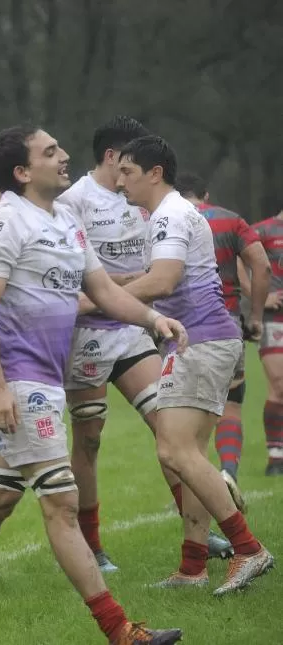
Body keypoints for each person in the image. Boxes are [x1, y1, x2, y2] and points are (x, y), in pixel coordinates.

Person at [0, 126, 185, 645]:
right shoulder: (4, 220)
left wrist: (151, 319)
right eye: (50, 152)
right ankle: (120, 631)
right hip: (21, 386)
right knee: (62, 506)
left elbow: (105, 289)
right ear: (22, 172)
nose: (64, 156)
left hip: (45, 380)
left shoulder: (65, 218)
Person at [57, 116, 233, 568]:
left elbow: (160, 270)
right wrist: (109, 293)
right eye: (128, 164)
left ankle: (200, 529)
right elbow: (69, 270)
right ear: (114, 158)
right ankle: (94, 546)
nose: (128, 176)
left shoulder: (150, 198)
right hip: (87, 333)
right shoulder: (73, 200)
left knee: (169, 428)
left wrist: (131, 291)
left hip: (137, 323)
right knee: (90, 438)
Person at [114, 135, 274, 593]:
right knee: (188, 456)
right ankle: (192, 568)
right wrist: (100, 286)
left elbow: (162, 282)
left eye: (128, 172)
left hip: (199, 343)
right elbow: (151, 276)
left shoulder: (170, 215)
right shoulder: (170, 216)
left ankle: (248, 550)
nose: (120, 181)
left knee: (173, 451)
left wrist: (96, 303)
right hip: (206, 342)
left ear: (154, 173)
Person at [176, 172, 270, 490]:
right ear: (206, 194)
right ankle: (228, 471)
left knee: (185, 412)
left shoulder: (161, 221)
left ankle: (197, 485)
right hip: (224, 323)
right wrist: (255, 315)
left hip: (178, 329)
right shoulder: (230, 221)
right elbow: (263, 266)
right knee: (230, 403)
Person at [252, 205, 283, 476]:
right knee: (279, 384)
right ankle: (276, 455)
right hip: (275, 319)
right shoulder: (264, 229)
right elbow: (241, 259)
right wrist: (260, 296)